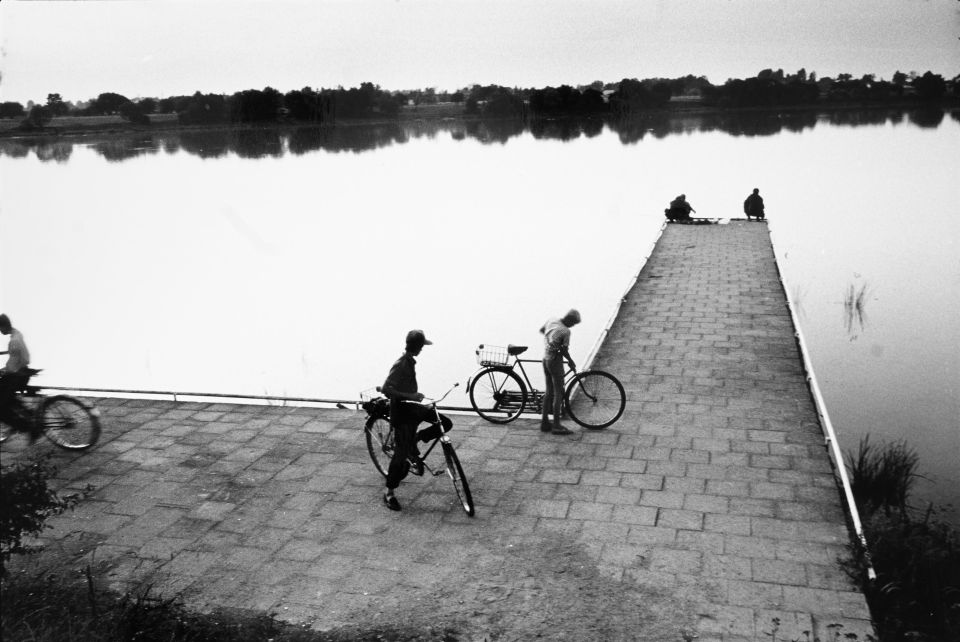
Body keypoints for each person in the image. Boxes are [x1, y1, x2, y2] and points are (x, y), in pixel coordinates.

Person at [380, 329, 452, 511]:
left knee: (445, 423)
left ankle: (418, 437)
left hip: (413, 409)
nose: (422, 350)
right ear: (418, 347)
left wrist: (414, 398)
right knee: (400, 457)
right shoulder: (401, 363)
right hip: (402, 413)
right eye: (421, 346)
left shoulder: (410, 361)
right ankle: (389, 493)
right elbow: (386, 389)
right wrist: (411, 396)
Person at [539, 309, 581, 435]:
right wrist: (570, 361)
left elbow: (542, 331)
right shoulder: (566, 331)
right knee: (559, 393)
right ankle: (556, 425)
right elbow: (564, 350)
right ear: (569, 320)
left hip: (545, 358)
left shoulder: (552, 320)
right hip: (555, 361)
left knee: (549, 391)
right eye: (573, 323)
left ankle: (545, 422)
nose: (572, 326)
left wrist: (551, 342)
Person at [0, 313, 32, 433]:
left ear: (3, 326)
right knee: (7, 397)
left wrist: (3, 371)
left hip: (17, 376)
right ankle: (29, 414)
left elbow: (12, 366)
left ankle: (27, 428)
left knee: (1, 408)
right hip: (23, 371)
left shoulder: (14, 340)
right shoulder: (17, 334)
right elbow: (17, 357)